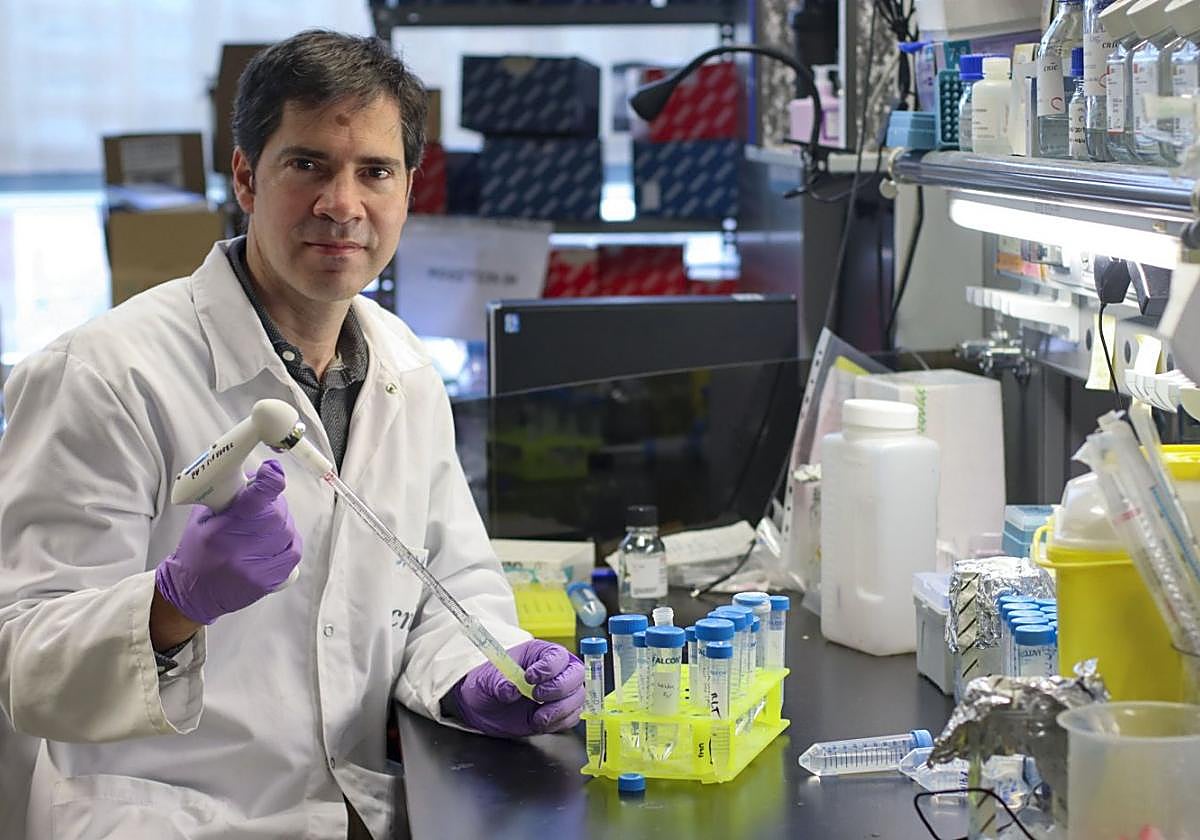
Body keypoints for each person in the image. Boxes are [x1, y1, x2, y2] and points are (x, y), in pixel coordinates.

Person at [0, 30, 583, 840]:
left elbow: (447, 585)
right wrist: (170, 606)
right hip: (170, 820)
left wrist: (478, 671)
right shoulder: (102, 375)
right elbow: (24, 666)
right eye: (307, 164)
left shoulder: (404, 369)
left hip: (357, 812)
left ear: (409, 187)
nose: (342, 205)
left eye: (374, 172)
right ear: (246, 175)